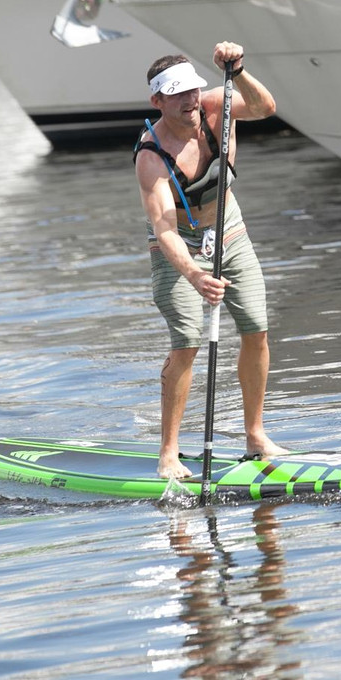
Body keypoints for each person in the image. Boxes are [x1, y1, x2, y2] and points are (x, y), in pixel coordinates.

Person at [134, 41, 289, 479]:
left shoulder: (217, 104)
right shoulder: (151, 156)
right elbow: (164, 229)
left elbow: (265, 107)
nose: (189, 101)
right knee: (186, 340)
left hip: (228, 228)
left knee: (256, 327)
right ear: (157, 101)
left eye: (193, 91)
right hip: (177, 240)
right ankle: (169, 452)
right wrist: (195, 276)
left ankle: (255, 435)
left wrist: (237, 70)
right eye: (177, 94)